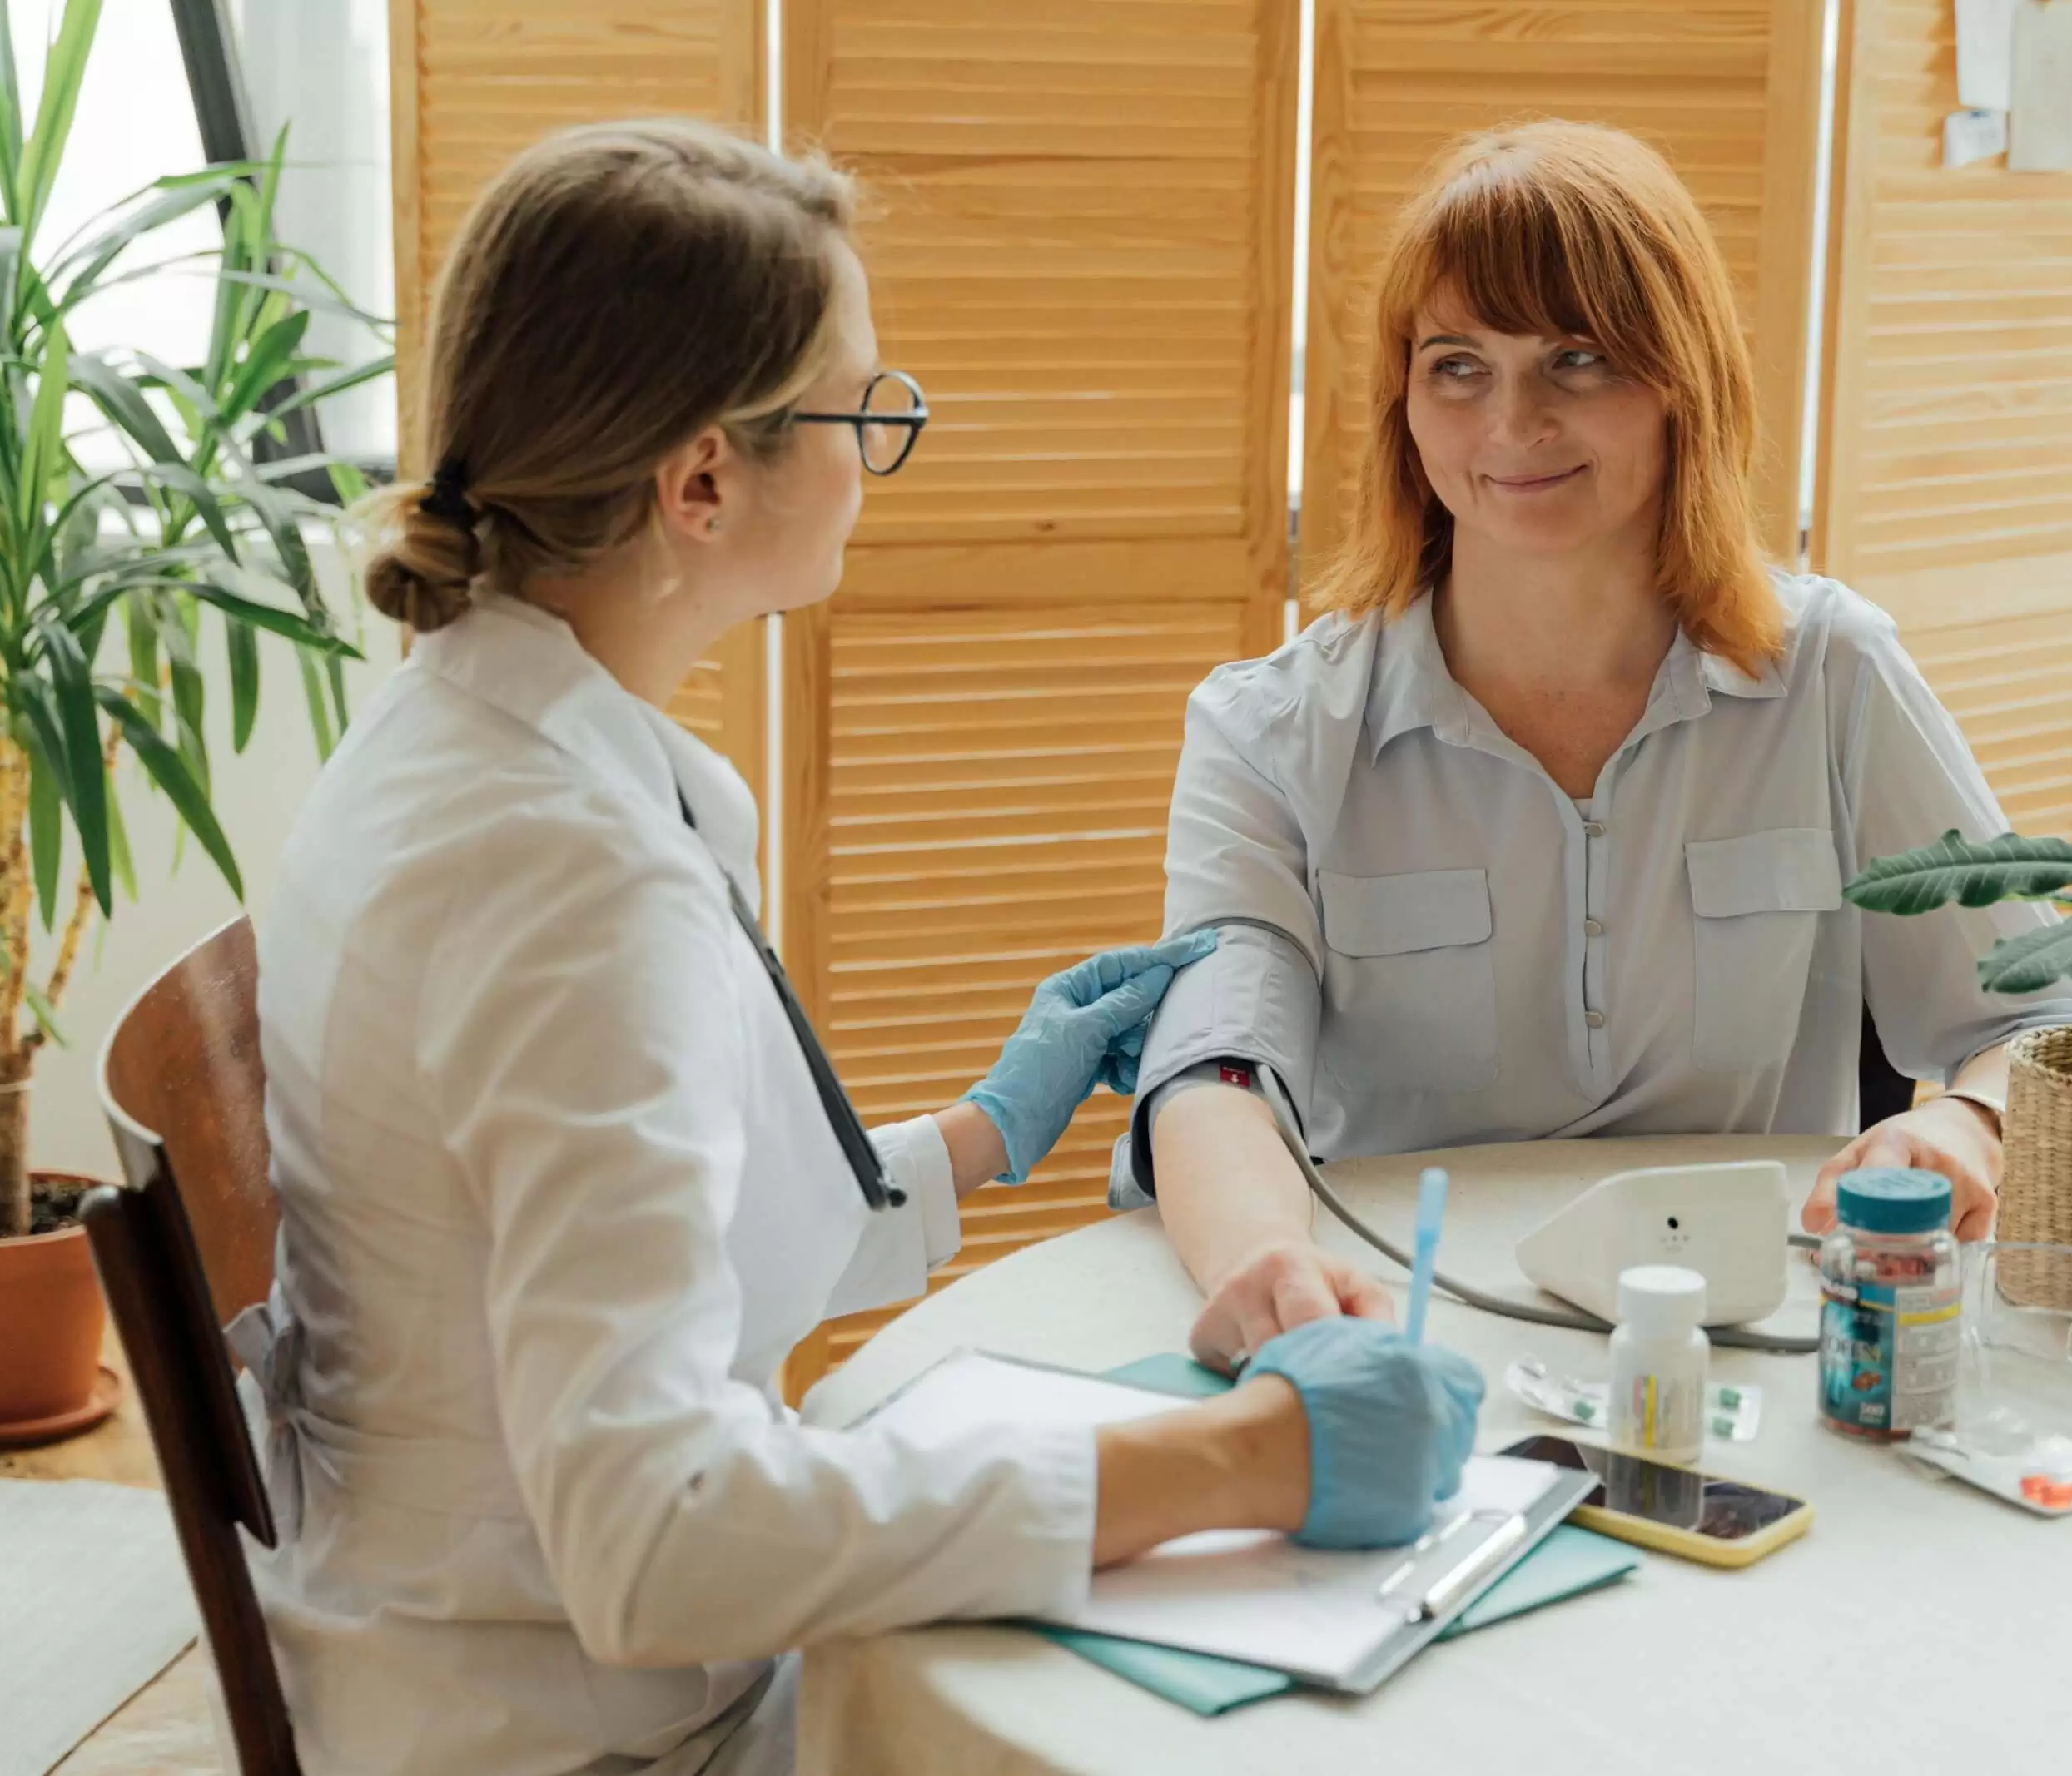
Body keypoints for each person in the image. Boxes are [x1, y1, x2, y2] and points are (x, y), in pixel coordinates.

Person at [242, 120, 1481, 1776]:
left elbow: (579, 1264)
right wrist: (1240, 1462)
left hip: (463, 1641)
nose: (882, 444)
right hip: (585, 1732)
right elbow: (655, 1533)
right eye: (862, 410)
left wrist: (968, 1140)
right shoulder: (569, 883)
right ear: (700, 480)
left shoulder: (460, 741)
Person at [1119, 122, 2072, 1370]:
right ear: (1404, 401)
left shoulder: (1833, 673)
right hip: (1401, 1336)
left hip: (1757, 1347)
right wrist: (1264, 1263)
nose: (1512, 421)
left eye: (1579, 359)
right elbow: (1212, 1073)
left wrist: (1967, 1128)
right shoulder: (1269, 730)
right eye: (1456, 365)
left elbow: (2062, 1018)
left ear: (1682, 381)